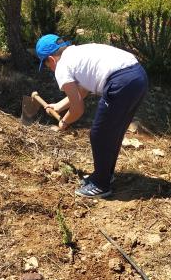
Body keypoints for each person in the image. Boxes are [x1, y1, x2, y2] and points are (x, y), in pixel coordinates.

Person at [35, 34, 148, 198]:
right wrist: (58, 106)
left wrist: (64, 122)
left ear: (51, 60)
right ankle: (105, 175)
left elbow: (78, 108)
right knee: (113, 132)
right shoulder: (78, 52)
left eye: (47, 65)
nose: (50, 69)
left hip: (121, 82)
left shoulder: (61, 67)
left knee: (99, 134)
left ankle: (101, 185)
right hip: (138, 75)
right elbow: (82, 89)